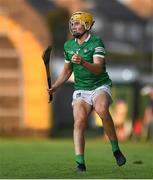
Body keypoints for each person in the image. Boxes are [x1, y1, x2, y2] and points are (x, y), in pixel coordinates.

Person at [48, 11, 126, 172]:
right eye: (73, 24)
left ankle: (116, 150)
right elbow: (67, 70)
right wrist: (55, 86)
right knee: (79, 121)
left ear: (87, 25)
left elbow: (98, 68)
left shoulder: (96, 42)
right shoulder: (68, 45)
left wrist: (83, 62)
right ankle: (80, 163)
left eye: (77, 23)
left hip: (99, 85)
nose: (74, 27)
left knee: (102, 109)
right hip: (81, 89)